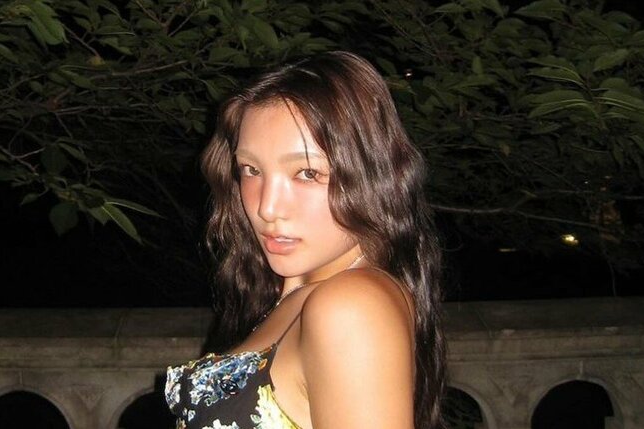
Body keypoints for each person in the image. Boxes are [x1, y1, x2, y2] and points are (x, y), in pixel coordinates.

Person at [165, 51, 447, 429]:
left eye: (307, 173)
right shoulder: (303, 293)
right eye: (251, 169)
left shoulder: (351, 305)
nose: (267, 207)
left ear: (370, 176)